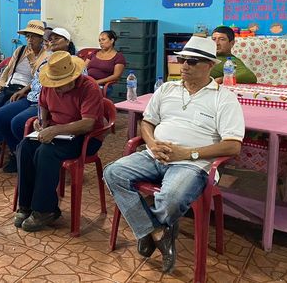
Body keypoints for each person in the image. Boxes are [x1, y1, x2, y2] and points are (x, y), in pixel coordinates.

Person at [103, 36, 244, 274]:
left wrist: (188, 153)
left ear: (210, 65)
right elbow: (147, 122)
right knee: (113, 172)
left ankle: (149, 229)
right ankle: (156, 231)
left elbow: (233, 146)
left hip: (192, 164)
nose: (185, 65)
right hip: (154, 155)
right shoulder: (167, 88)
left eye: (192, 61)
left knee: (172, 198)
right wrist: (151, 143)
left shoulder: (224, 98)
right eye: (182, 60)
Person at [14, 51, 104, 232]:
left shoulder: (89, 87)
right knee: (24, 147)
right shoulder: (49, 85)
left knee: (46, 153)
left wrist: (56, 130)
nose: (56, 89)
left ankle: (45, 210)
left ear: (73, 78)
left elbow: (88, 124)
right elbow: (43, 106)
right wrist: (41, 122)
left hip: (84, 137)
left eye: (60, 85)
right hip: (56, 132)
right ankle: (26, 205)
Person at [0, 27, 77, 173]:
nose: (52, 41)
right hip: (31, 97)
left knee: (17, 123)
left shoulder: (73, 62)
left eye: (57, 38)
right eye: (50, 39)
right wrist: (24, 90)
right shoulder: (46, 60)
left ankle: (30, 156)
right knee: (0, 115)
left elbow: (73, 88)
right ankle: (17, 152)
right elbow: (36, 80)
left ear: (67, 42)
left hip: (45, 102)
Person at [0, 20, 47, 157]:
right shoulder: (20, 50)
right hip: (9, 86)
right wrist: (0, 84)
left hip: (25, 91)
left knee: (4, 112)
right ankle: (1, 139)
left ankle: (10, 144)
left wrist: (32, 60)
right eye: (28, 36)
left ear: (41, 39)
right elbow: (8, 70)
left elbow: (38, 78)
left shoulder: (45, 55)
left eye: (33, 37)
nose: (30, 40)